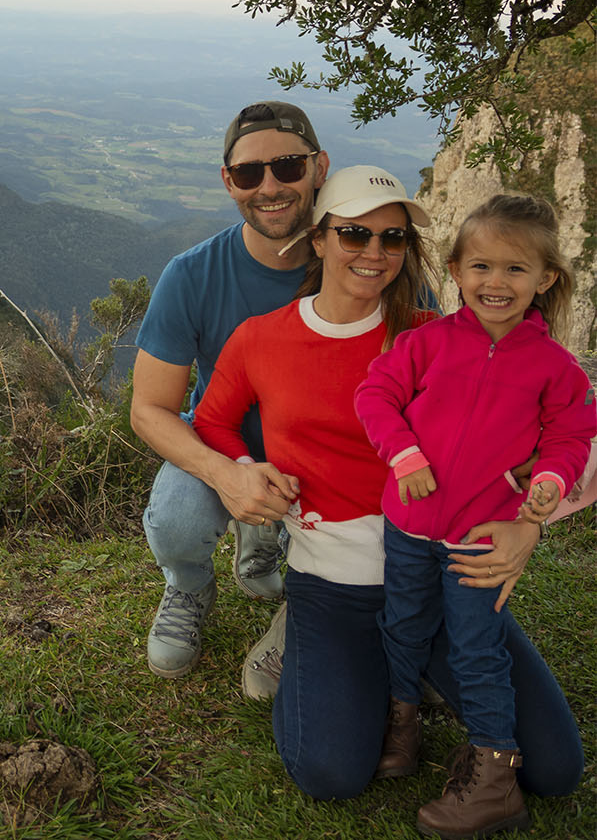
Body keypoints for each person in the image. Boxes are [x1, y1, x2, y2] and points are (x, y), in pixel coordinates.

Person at [191, 167, 587, 805]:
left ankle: (398, 673)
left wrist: (530, 524)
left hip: (450, 570)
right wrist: (241, 468)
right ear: (318, 240)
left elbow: (567, 434)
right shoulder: (260, 339)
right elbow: (211, 421)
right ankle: (322, 651)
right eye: (353, 233)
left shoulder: (438, 336)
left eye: (393, 238)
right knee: (331, 774)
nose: (374, 253)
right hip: (334, 581)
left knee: (553, 770)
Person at [354, 194, 595, 837]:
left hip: (479, 537)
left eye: (516, 270)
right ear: (456, 270)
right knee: (402, 624)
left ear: (545, 280)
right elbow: (375, 394)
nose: (496, 282)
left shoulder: (554, 368)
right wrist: (404, 456)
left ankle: (494, 773)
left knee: (476, 648)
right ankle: (401, 726)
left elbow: (570, 439)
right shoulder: (425, 343)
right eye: (481, 267)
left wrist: (545, 487)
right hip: (408, 526)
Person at [132, 100, 324, 683]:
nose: (269, 186)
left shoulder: (367, 257)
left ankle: (300, 591)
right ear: (228, 181)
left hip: (333, 452)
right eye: (249, 173)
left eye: (288, 167)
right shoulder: (192, 274)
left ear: (319, 167)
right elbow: (149, 409)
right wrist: (226, 474)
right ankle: (190, 586)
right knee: (176, 519)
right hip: (226, 441)